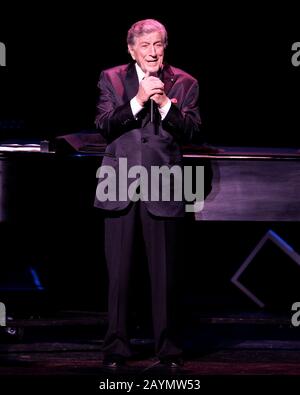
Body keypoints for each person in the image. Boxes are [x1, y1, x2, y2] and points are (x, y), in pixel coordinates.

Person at [94, 18, 202, 368]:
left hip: (164, 185)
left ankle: (168, 349)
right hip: (120, 183)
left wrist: (167, 105)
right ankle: (116, 348)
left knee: (165, 275)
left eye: (158, 45)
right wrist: (139, 100)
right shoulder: (111, 78)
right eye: (145, 46)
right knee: (119, 275)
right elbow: (105, 125)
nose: (153, 52)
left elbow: (193, 132)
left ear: (164, 47)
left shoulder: (184, 82)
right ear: (131, 50)